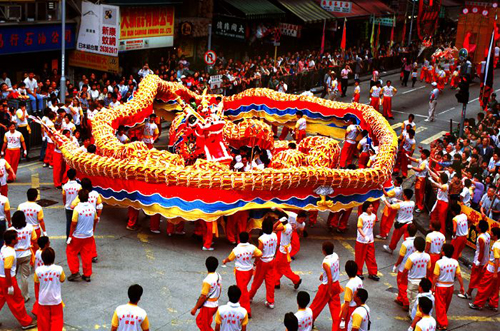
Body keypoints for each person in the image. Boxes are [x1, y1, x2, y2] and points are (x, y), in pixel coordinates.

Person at [0, 229, 36, 330]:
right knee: (17, 301)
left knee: (1, 298)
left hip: (1, 278)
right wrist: (10, 285)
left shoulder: (4, 248)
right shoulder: (10, 253)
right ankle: (25, 322)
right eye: (16, 237)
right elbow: (7, 270)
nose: (18, 238)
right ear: (12, 241)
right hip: (8, 279)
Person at [222, 232, 262, 316]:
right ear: (248, 239)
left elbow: (230, 258)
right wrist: (252, 257)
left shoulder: (236, 249)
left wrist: (225, 261)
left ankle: (247, 310)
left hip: (240, 272)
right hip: (249, 271)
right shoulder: (252, 247)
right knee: (243, 288)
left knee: (243, 290)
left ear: (239, 239)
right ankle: (241, 302)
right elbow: (260, 254)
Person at [66, 189, 98, 282]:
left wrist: (70, 236)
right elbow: (95, 220)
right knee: (87, 254)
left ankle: (75, 272)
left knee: (71, 252)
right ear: (88, 198)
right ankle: (87, 274)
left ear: (78, 198)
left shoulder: (77, 209)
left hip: (78, 236)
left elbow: (73, 224)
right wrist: (92, 230)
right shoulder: (92, 208)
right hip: (89, 235)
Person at [309, 241, 342, 331]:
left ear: (324, 251)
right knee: (336, 308)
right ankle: (337, 327)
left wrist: (329, 291)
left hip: (327, 286)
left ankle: (309, 321)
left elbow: (330, 277)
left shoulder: (325, 262)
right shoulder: (336, 256)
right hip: (336, 284)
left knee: (316, 305)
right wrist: (323, 275)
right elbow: (336, 268)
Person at [432, 244, 465, 330]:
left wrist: (432, 287)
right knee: (445, 304)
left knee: (440, 305)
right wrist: (462, 286)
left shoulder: (439, 263)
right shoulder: (455, 262)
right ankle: (442, 319)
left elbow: (435, 276)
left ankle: (443, 323)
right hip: (450, 286)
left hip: (441, 286)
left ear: (443, 252)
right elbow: (459, 275)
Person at [70, 177, 103, 263]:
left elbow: (72, 206)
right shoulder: (96, 194)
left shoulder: (81, 194)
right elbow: (100, 206)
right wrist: (98, 216)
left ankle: (79, 250)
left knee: (79, 235)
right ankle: (93, 255)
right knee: (90, 236)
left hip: (81, 217)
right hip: (92, 217)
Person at [248, 218, 277, 309]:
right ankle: (270, 301)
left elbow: (259, 253)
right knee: (270, 282)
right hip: (271, 260)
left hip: (263, 261)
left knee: (257, 281)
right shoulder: (275, 235)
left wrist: (255, 262)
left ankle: (250, 297)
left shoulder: (261, 239)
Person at [34, 247, 65, 331]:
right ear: (53, 257)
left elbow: (36, 281)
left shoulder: (38, 270)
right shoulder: (59, 269)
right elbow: (62, 280)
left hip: (43, 299)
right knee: (57, 320)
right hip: (56, 299)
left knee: (43, 321)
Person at [469, 227, 500, 311]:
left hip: (492, 270)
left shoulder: (496, 245)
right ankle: (493, 304)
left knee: (483, 286)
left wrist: (495, 273)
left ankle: (478, 304)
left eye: (492, 233)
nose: (490, 234)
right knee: (495, 288)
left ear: (495, 235)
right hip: (497, 269)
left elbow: (497, 259)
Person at [10, 210, 37, 303]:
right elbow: (34, 239)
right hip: (26, 254)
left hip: (13, 256)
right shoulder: (29, 227)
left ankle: (12, 294)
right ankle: (25, 296)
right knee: (24, 277)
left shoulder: (10, 230)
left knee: (12, 276)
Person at [459, 220, 490, 299]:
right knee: (480, 279)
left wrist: (477, 263)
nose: (476, 226)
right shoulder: (488, 236)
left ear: (479, 228)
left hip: (479, 261)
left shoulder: (480, 238)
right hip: (485, 261)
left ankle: (468, 293)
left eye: (478, 225)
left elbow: (481, 252)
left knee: (474, 278)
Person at [191, 256, 222, 331]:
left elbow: (202, 296)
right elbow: (220, 289)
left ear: (206, 265)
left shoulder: (207, 280)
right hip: (215, 304)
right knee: (202, 321)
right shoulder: (218, 276)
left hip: (208, 306)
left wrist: (195, 308)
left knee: (203, 325)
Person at [392, 224, 417, 311]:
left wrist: (396, 264)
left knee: (401, 284)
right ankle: (400, 298)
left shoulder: (405, 243)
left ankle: (406, 302)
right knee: (406, 284)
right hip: (413, 267)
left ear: (407, 232)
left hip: (404, 267)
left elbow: (401, 256)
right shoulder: (417, 242)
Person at [382, 189, 415, 254]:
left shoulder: (401, 205)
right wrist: (397, 200)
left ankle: (391, 248)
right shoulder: (412, 203)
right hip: (409, 224)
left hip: (401, 225)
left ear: (405, 196)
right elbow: (404, 202)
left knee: (395, 238)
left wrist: (384, 199)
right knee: (408, 239)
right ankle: (410, 251)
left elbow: (389, 206)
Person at [274, 214, 302, 291]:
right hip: (285, 249)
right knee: (277, 265)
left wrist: (278, 221)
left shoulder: (284, 227)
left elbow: (273, 228)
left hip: (283, 251)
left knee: (283, 268)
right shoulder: (289, 226)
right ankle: (276, 282)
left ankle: (296, 279)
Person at [403, 237, 431, 311]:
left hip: (412, 281)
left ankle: (412, 314)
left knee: (412, 300)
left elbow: (406, 270)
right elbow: (429, 269)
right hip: (422, 281)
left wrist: (401, 278)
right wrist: (426, 278)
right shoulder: (427, 256)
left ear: (415, 246)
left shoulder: (412, 257)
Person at [355, 201, 379, 281]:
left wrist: (368, 237)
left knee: (371, 257)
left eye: (372, 206)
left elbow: (372, 226)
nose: (371, 208)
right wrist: (364, 236)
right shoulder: (361, 217)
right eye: (369, 207)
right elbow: (359, 228)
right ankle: (358, 273)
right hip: (361, 240)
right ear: (365, 208)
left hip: (370, 240)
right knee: (359, 257)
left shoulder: (374, 216)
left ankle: (372, 273)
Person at [340, 260, 363, 330]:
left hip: (350, 310)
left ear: (346, 271)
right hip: (358, 307)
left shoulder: (349, 285)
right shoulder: (359, 280)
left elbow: (347, 304)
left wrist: (343, 320)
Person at [32, 235, 49, 316]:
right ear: (46, 244)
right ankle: (37, 310)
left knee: (38, 294)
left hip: (37, 276)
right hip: (43, 278)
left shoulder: (38, 251)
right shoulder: (45, 255)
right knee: (43, 295)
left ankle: (36, 309)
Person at [62, 169, 82, 238]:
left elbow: (64, 197)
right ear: (75, 176)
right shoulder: (79, 186)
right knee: (77, 223)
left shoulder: (65, 186)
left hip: (68, 207)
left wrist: (65, 204)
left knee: (69, 223)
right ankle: (76, 237)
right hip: (77, 207)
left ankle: (68, 237)